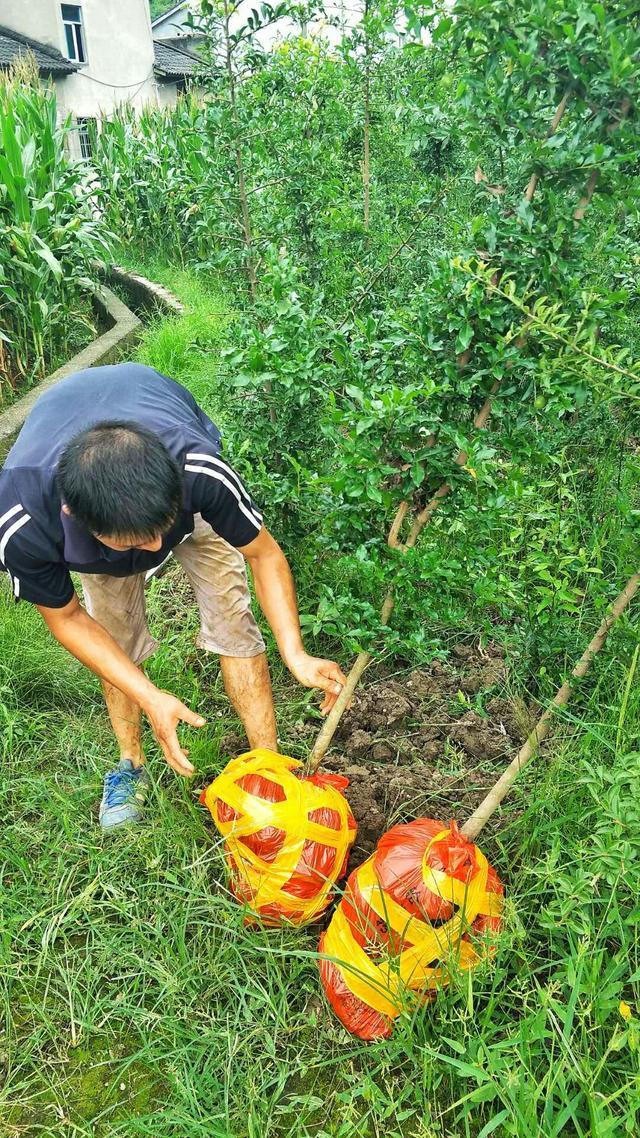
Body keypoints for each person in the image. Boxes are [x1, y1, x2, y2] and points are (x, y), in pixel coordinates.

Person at [0, 363, 346, 829]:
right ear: (74, 516)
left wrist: (297, 654)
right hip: (96, 528)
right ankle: (130, 767)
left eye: (160, 534)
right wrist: (149, 695)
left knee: (232, 615)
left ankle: (270, 766)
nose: (155, 552)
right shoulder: (24, 523)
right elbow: (67, 618)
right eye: (134, 543)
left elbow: (264, 555)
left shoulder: (197, 469)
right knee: (114, 639)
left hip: (169, 485)